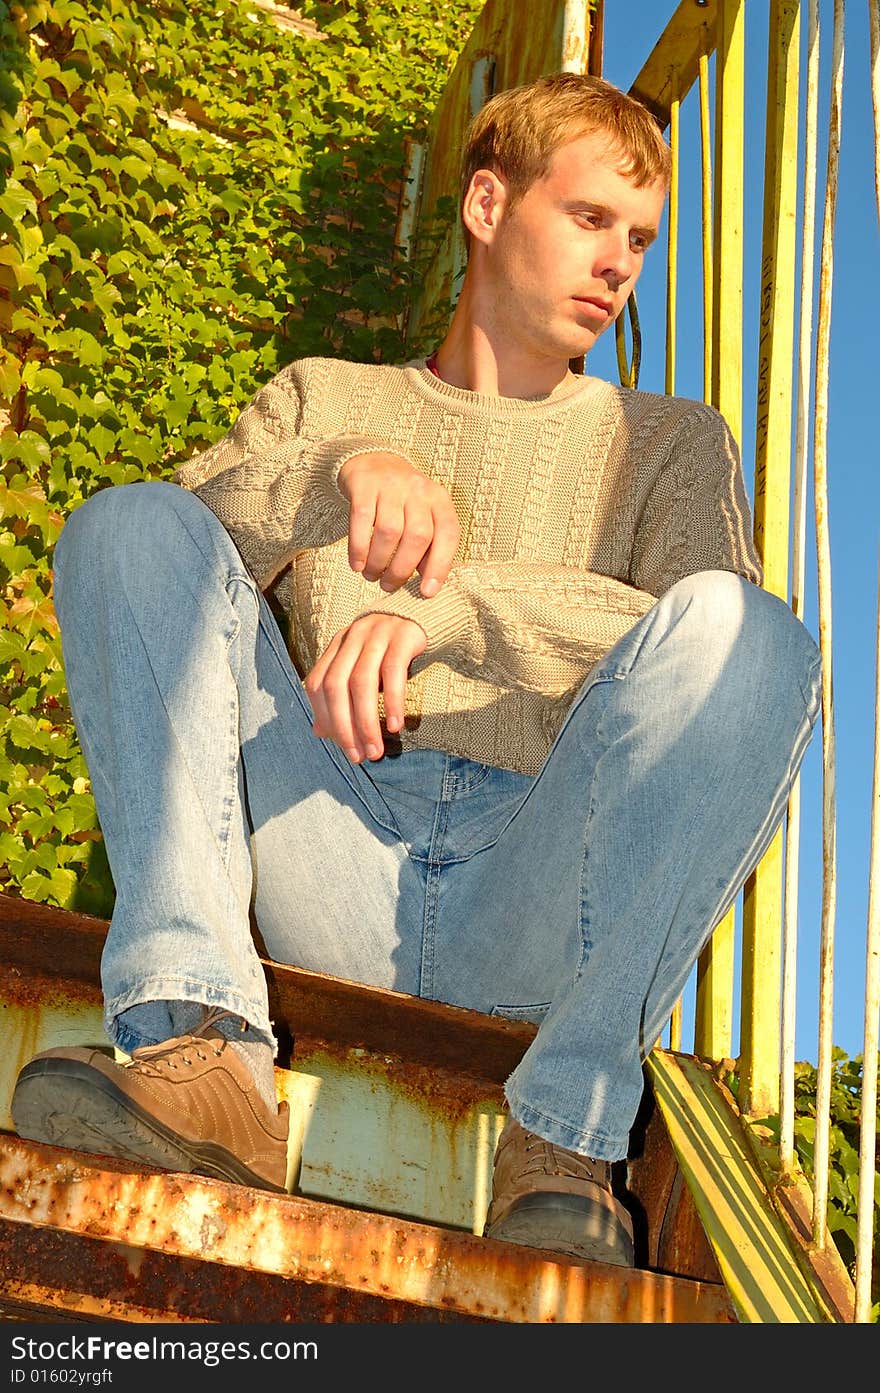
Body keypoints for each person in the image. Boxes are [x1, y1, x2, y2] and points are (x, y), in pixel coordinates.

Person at [11, 72, 821, 1270]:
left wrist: (456, 614)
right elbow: (156, 564)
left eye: (640, 237)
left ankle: (562, 1139)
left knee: (756, 635)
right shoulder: (326, 396)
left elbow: (702, 650)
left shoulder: (669, 444)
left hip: (542, 890)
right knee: (128, 524)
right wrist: (333, 472)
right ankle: (203, 1044)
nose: (620, 264)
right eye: (590, 218)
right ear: (488, 204)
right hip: (318, 848)